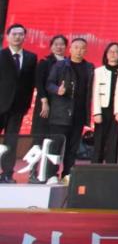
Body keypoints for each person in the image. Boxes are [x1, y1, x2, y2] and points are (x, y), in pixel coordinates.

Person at [45, 37, 93, 181]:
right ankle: (51, 174)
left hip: (79, 113)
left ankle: (67, 174)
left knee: (73, 148)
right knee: (56, 146)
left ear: (86, 50)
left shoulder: (89, 67)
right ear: (70, 49)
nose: (79, 50)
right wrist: (57, 90)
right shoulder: (60, 65)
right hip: (61, 113)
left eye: (82, 48)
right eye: (76, 47)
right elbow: (49, 84)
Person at [30, 35, 65, 179]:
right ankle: (32, 171)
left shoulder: (68, 63)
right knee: (39, 139)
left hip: (60, 108)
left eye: (62, 44)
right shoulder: (44, 62)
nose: (59, 47)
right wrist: (44, 101)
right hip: (44, 105)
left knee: (54, 141)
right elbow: (39, 83)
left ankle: (49, 173)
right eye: (56, 44)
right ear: (51, 46)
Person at [90, 41, 118, 166]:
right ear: (106, 54)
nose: (113, 54)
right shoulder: (98, 71)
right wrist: (96, 113)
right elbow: (95, 93)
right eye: (110, 51)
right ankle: (95, 168)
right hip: (103, 110)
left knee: (114, 141)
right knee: (99, 140)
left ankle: (111, 169)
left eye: (116, 52)